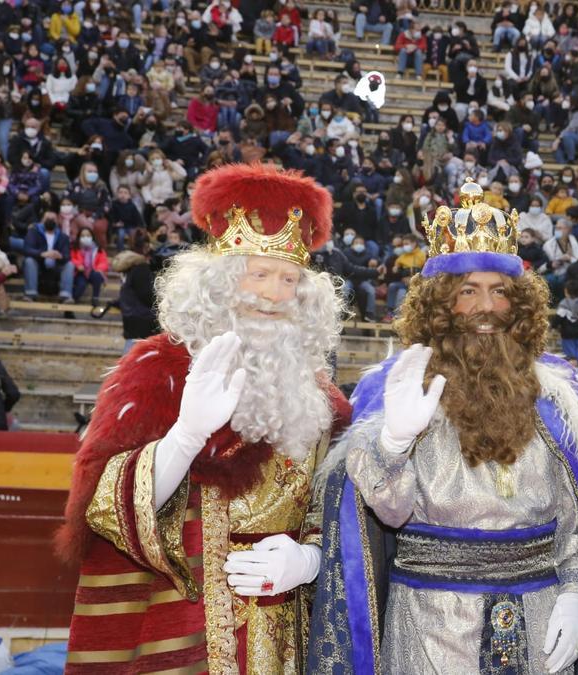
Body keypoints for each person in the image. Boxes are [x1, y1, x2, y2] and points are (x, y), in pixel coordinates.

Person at [308, 178, 578, 674]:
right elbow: (387, 516)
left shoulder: (558, 398)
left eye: (500, 291)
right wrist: (392, 444)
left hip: (542, 616)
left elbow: (575, 519)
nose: (485, 307)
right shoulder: (398, 389)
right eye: (468, 291)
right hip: (432, 624)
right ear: (441, 303)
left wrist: (575, 594)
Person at [56, 165, 352, 673]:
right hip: (186, 631)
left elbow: (339, 515)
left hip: (291, 642)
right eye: (258, 274)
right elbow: (99, 506)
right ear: (220, 284)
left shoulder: (322, 397)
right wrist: (185, 437)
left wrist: (311, 560)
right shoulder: (157, 370)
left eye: (289, 280)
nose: (274, 294)